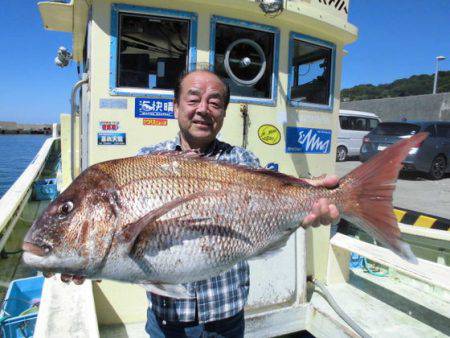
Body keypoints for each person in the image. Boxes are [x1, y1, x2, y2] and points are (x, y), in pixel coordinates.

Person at [53, 70, 340, 337]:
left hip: (226, 320)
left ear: (224, 114)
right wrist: (82, 257)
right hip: (167, 323)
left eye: (215, 102)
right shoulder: (146, 162)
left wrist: (309, 200)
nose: (203, 109)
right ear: (176, 106)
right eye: (193, 99)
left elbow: (280, 194)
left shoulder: (242, 161)